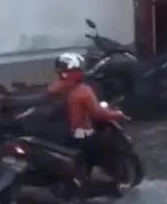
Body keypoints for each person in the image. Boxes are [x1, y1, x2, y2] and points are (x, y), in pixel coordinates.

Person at [48, 52, 128, 187]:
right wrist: (118, 114)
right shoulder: (83, 91)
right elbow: (98, 114)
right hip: (80, 133)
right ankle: (102, 179)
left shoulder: (54, 88)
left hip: (62, 134)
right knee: (107, 145)